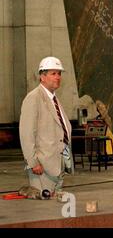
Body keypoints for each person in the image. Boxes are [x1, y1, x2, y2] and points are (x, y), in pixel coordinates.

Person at [19, 56, 73, 198]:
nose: (58, 77)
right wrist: (33, 162)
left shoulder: (54, 99)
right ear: (42, 76)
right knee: (44, 210)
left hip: (58, 165)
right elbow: (26, 134)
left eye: (59, 73)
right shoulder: (33, 98)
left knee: (56, 210)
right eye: (53, 74)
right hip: (42, 168)